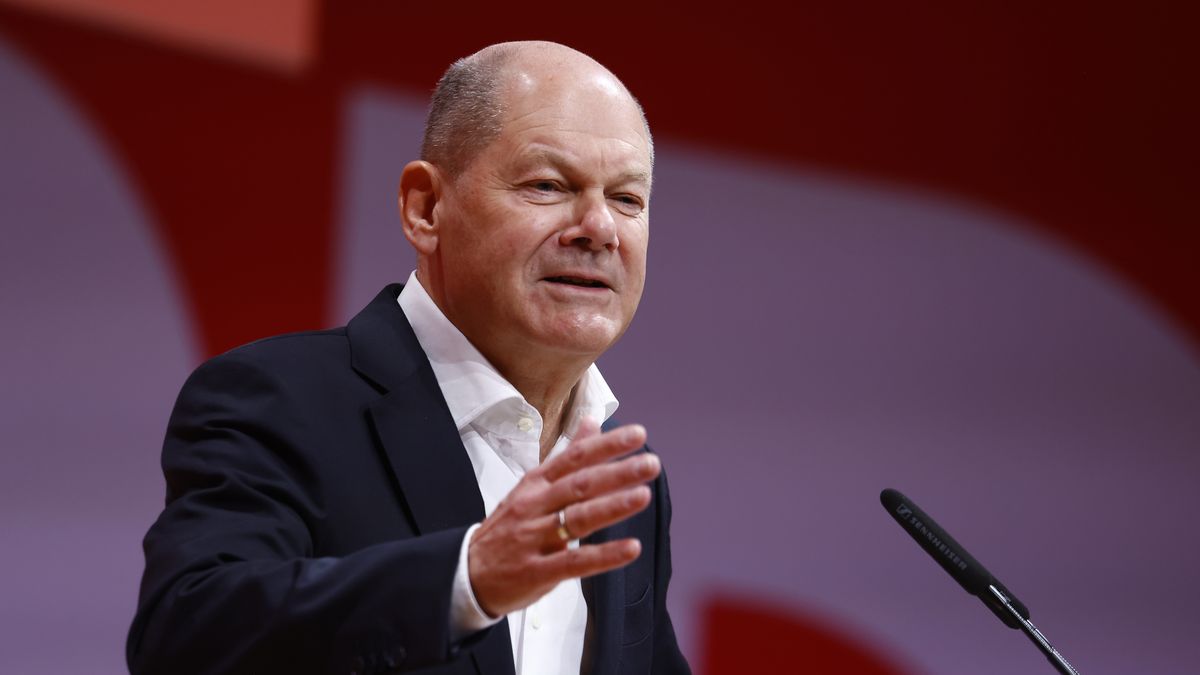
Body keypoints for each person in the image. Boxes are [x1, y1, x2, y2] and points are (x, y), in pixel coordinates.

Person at [127, 41, 691, 675]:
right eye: (549, 185)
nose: (599, 227)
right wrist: (466, 581)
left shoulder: (624, 475)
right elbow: (186, 636)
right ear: (426, 208)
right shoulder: (281, 401)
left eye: (627, 199)